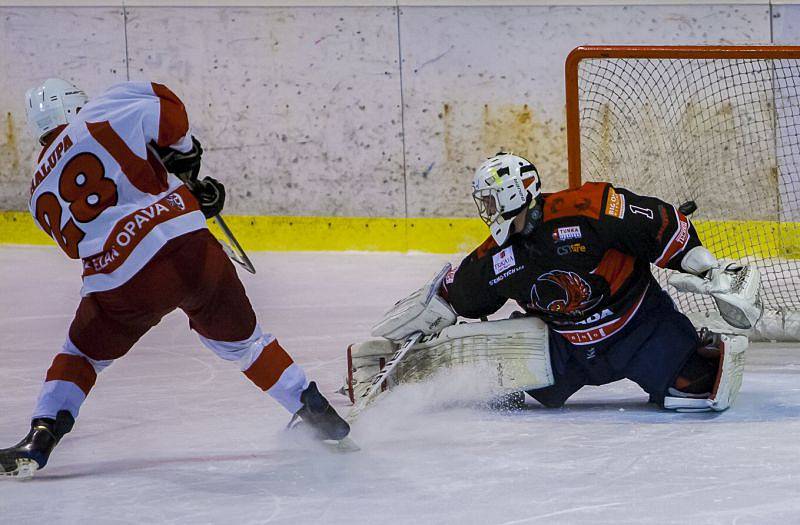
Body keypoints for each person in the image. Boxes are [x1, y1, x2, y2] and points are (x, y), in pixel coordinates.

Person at [1, 79, 349, 479]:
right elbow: (166, 105)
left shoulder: (36, 191)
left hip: (120, 284)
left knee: (80, 355)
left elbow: (92, 232)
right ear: (77, 105)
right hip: (192, 254)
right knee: (248, 345)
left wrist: (180, 192)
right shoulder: (102, 113)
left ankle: (41, 435)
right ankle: (315, 412)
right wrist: (184, 161)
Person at [370, 152, 757, 414]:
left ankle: (693, 347)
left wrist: (707, 270)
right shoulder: (498, 256)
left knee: (699, 390)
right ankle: (412, 378)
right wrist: (429, 311)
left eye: (489, 201)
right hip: (568, 348)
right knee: (492, 387)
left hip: (641, 329)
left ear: (511, 196)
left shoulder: (589, 210)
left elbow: (658, 223)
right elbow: (463, 295)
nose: (485, 211)